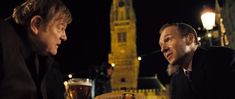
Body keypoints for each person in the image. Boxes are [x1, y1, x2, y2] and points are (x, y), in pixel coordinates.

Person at [0, 0, 72, 99]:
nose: (64, 37)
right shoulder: (3, 38)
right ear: (36, 24)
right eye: (61, 28)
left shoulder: (39, 56)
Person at [158, 23, 235, 99]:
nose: (163, 49)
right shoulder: (176, 82)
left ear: (190, 39)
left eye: (168, 39)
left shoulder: (222, 58)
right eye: (161, 45)